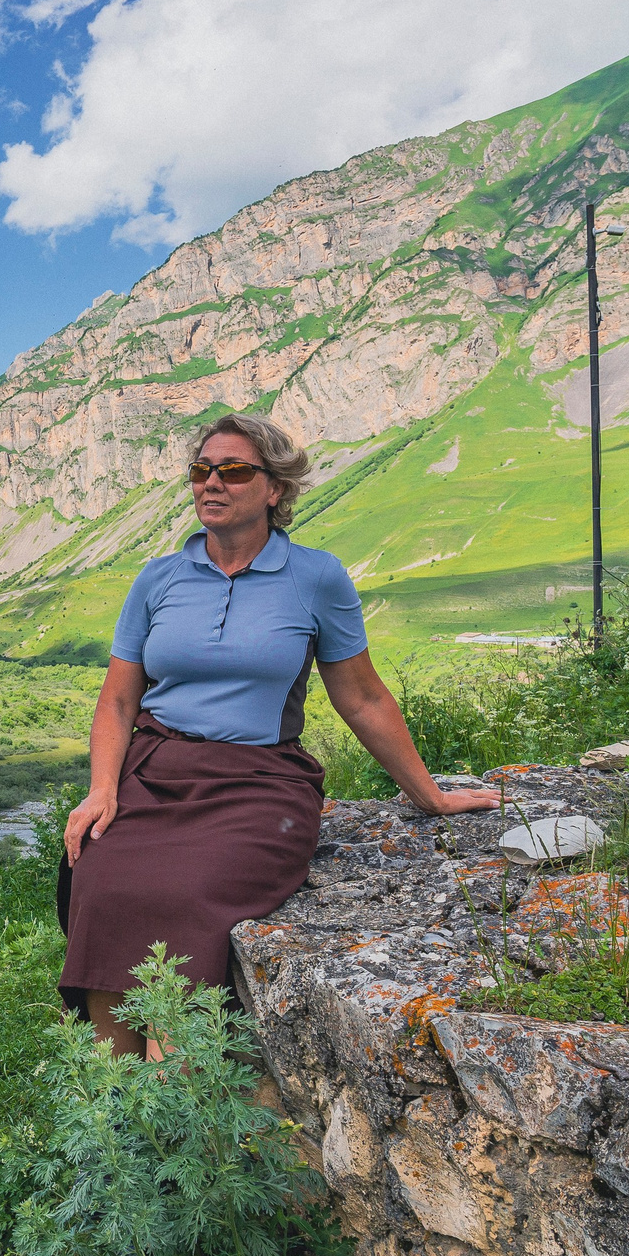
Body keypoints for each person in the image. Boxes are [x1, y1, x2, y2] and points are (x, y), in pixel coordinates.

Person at [60, 413, 501, 1057]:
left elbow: (362, 696)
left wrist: (429, 797)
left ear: (275, 489)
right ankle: (111, 1089)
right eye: (200, 469)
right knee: (101, 876)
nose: (212, 482)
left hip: (257, 780)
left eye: (233, 470)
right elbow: (119, 699)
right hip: (155, 769)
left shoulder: (315, 577)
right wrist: (104, 789)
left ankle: (175, 1080)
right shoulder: (158, 578)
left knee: (190, 889)